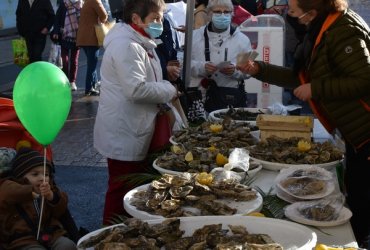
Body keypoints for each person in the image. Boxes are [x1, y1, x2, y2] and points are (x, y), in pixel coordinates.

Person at [237, 0, 370, 246]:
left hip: (365, 131)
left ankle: (357, 242)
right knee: (356, 191)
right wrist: (259, 69)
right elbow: (298, 78)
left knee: (363, 198)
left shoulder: (344, 31)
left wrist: (316, 88)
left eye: (295, 12)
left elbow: (364, 80)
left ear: (313, 11)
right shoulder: (321, 30)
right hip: (352, 132)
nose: (291, 16)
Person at [93, 0, 179, 225]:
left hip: (134, 126)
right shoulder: (126, 46)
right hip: (125, 130)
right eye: (155, 19)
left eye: (160, 18)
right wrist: (169, 90)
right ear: (136, 19)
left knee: (131, 188)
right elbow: (136, 89)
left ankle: (126, 231)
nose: (160, 23)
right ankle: (110, 233)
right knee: (121, 188)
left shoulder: (139, 42)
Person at [0, 148, 76, 250]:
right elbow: (6, 191)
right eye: (35, 174)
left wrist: (51, 196)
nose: (42, 178)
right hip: (24, 239)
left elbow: (61, 210)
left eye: (46, 174)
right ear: (20, 176)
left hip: (51, 234)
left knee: (68, 246)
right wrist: (30, 191)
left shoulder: (50, 189)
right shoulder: (12, 188)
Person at [189, 0, 252, 113]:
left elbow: (249, 71)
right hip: (200, 99)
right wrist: (201, 67)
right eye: (217, 12)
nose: (222, 15)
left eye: (226, 12)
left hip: (230, 98)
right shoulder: (194, 37)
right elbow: (183, 64)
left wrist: (235, 70)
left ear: (232, 13)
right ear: (209, 13)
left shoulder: (242, 40)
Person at [76, 0, 108, 96]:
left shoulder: (86, 2)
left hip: (83, 37)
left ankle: (93, 86)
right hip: (92, 37)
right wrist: (101, 19)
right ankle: (88, 88)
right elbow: (104, 15)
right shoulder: (95, 1)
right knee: (92, 64)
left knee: (91, 62)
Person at [52, 0, 83, 91]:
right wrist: (56, 31)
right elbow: (57, 18)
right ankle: (65, 80)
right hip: (64, 35)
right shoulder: (63, 3)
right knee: (64, 61)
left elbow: (84, 20)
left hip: (77, 37)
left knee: (74, 61)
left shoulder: (81, 4)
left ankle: (72, 81)